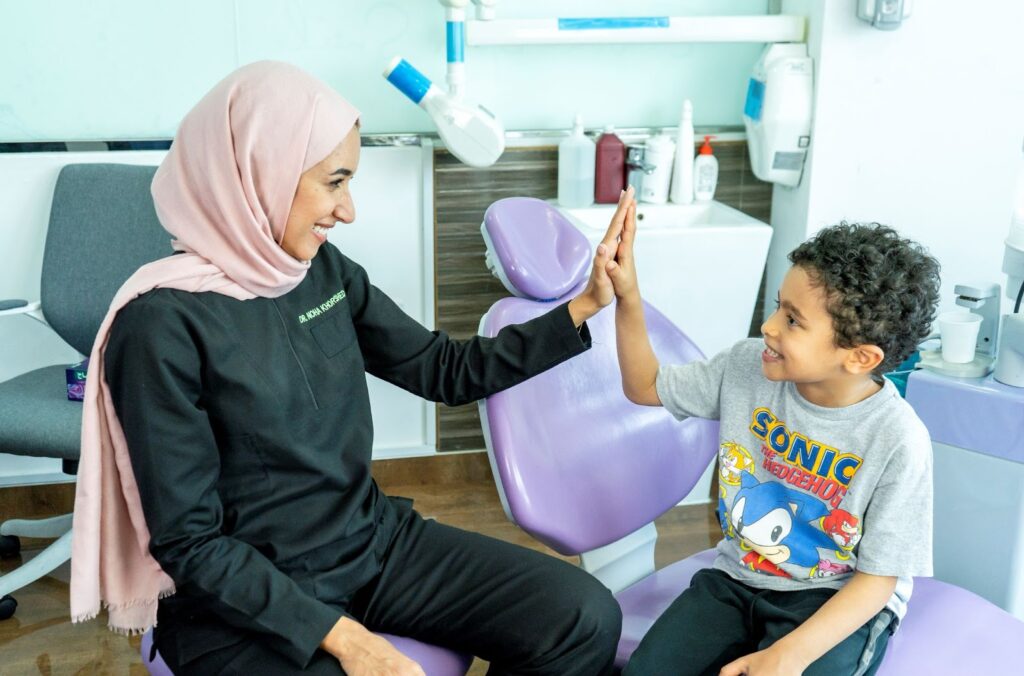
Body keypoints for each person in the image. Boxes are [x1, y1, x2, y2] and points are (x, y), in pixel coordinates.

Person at [70, 61, 633, 675]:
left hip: (368, 544)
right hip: (243, 600)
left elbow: (441, 367)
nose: (348, 210)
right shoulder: (159, 325)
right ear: (261, 173)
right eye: (334, 182)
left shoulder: (320, 271)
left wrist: (583, 306)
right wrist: (346, 640)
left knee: (583, 617)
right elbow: (191, 544)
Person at [605, 207, 940, 676]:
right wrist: (629, 298)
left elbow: (876, 581)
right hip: (738, 576)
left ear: (860, 357)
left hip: (835, 596)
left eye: (793, 320)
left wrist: (788, 656)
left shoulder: (898, 439)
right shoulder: (747, 367)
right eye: (779, 306)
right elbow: (644, 385)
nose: (769, 326)